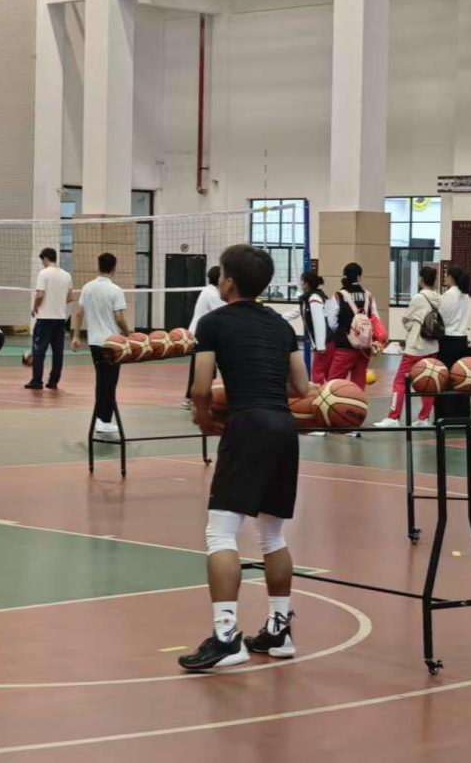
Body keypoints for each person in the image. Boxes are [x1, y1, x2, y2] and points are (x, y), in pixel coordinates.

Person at [181, 244, 310, 672]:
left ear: (229, 282)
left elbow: (201, 387)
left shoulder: (213, 323)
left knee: (221, 533)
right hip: (283, 427)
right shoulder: (280, 324)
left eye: (222, 274)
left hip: (248, 425)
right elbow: (302, 387)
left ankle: (226, 637)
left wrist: (204, 417)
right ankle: (279, 631)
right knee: (272, 535)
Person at [71, 253, 131, 442]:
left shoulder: (87, 287)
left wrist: (76, 336)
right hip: (112, 343)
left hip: (94, 342)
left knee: (101, 380)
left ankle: (100, 419)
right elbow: (119, 318)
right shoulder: (115, 290)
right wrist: (129, 334)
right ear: (114, 268)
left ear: (98, 266)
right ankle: (104, 420)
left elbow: (79, 313)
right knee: (110, 382)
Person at [374, 265, 440, 429]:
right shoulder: (438, 297)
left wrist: (412, 326)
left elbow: (406, 319)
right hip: (433, 346)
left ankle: (393, 417)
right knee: (428, 382)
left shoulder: (419, 298)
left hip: (416, 346)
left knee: (400, 381)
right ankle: (424, 418)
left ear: (421, 279)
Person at [324, 262, 382, 389]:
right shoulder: (368, 296)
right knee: (359, 384)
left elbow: (332, 323)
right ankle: (357, 401)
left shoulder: (338, 296)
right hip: (364, 347)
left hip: (344, 346)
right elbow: (375, 319)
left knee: (333, 384)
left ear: (344, 277)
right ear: (360, 277)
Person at [26, 247, 72, 390]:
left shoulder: (43, 273)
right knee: (58, 352)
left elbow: (40, 295)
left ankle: (37, 381)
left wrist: (35, 307)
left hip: (45, 319)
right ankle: (53, 381)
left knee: (39, 351)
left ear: (45, 258)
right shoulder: (66, 275)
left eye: (42, 261)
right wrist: (58, 303)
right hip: (60, 319)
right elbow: (70, 297)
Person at [182, 266, 223, 409]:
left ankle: (191, 398)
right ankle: (191, 399)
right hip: (201, 336)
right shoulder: (213, 294)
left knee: (204, 369)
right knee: (201, 370)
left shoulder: (209, 291)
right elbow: (224, 312)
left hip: (202, 335)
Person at [435, 266, 471, 421]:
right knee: (461, 377)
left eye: (446, 275)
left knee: (445, 378)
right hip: (462, 340)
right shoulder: (465, 295)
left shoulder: (448, 295)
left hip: (447, 341)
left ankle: (445, 415)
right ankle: (461, 415)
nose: (445, 277)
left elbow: (442, 318)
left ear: (451, 277)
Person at [298, 271, 331, 385]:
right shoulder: (313, 298)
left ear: (306, 283)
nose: (301, 285)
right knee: (326, 372)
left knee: (317, 372)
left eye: (302, 282)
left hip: (325, 342)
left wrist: (320, 346)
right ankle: (330, 393)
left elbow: (319, 321)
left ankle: (320, 395)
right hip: (328, 341)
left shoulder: (314, 299)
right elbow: (297, 312)